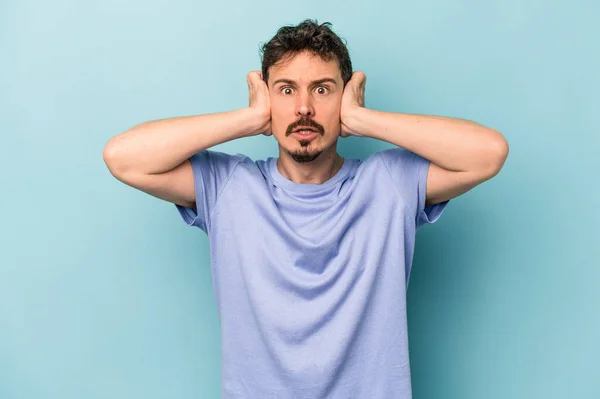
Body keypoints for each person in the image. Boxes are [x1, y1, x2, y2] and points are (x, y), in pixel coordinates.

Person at [103, 19, 508, 399]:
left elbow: (488, 154)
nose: (303, 109)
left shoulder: (388, 184)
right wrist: (249, 118)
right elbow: (123, 158)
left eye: (321, 89)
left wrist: (364, 120)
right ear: (266, 96)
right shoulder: (229, 187)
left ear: (346, 95)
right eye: (285, 90)